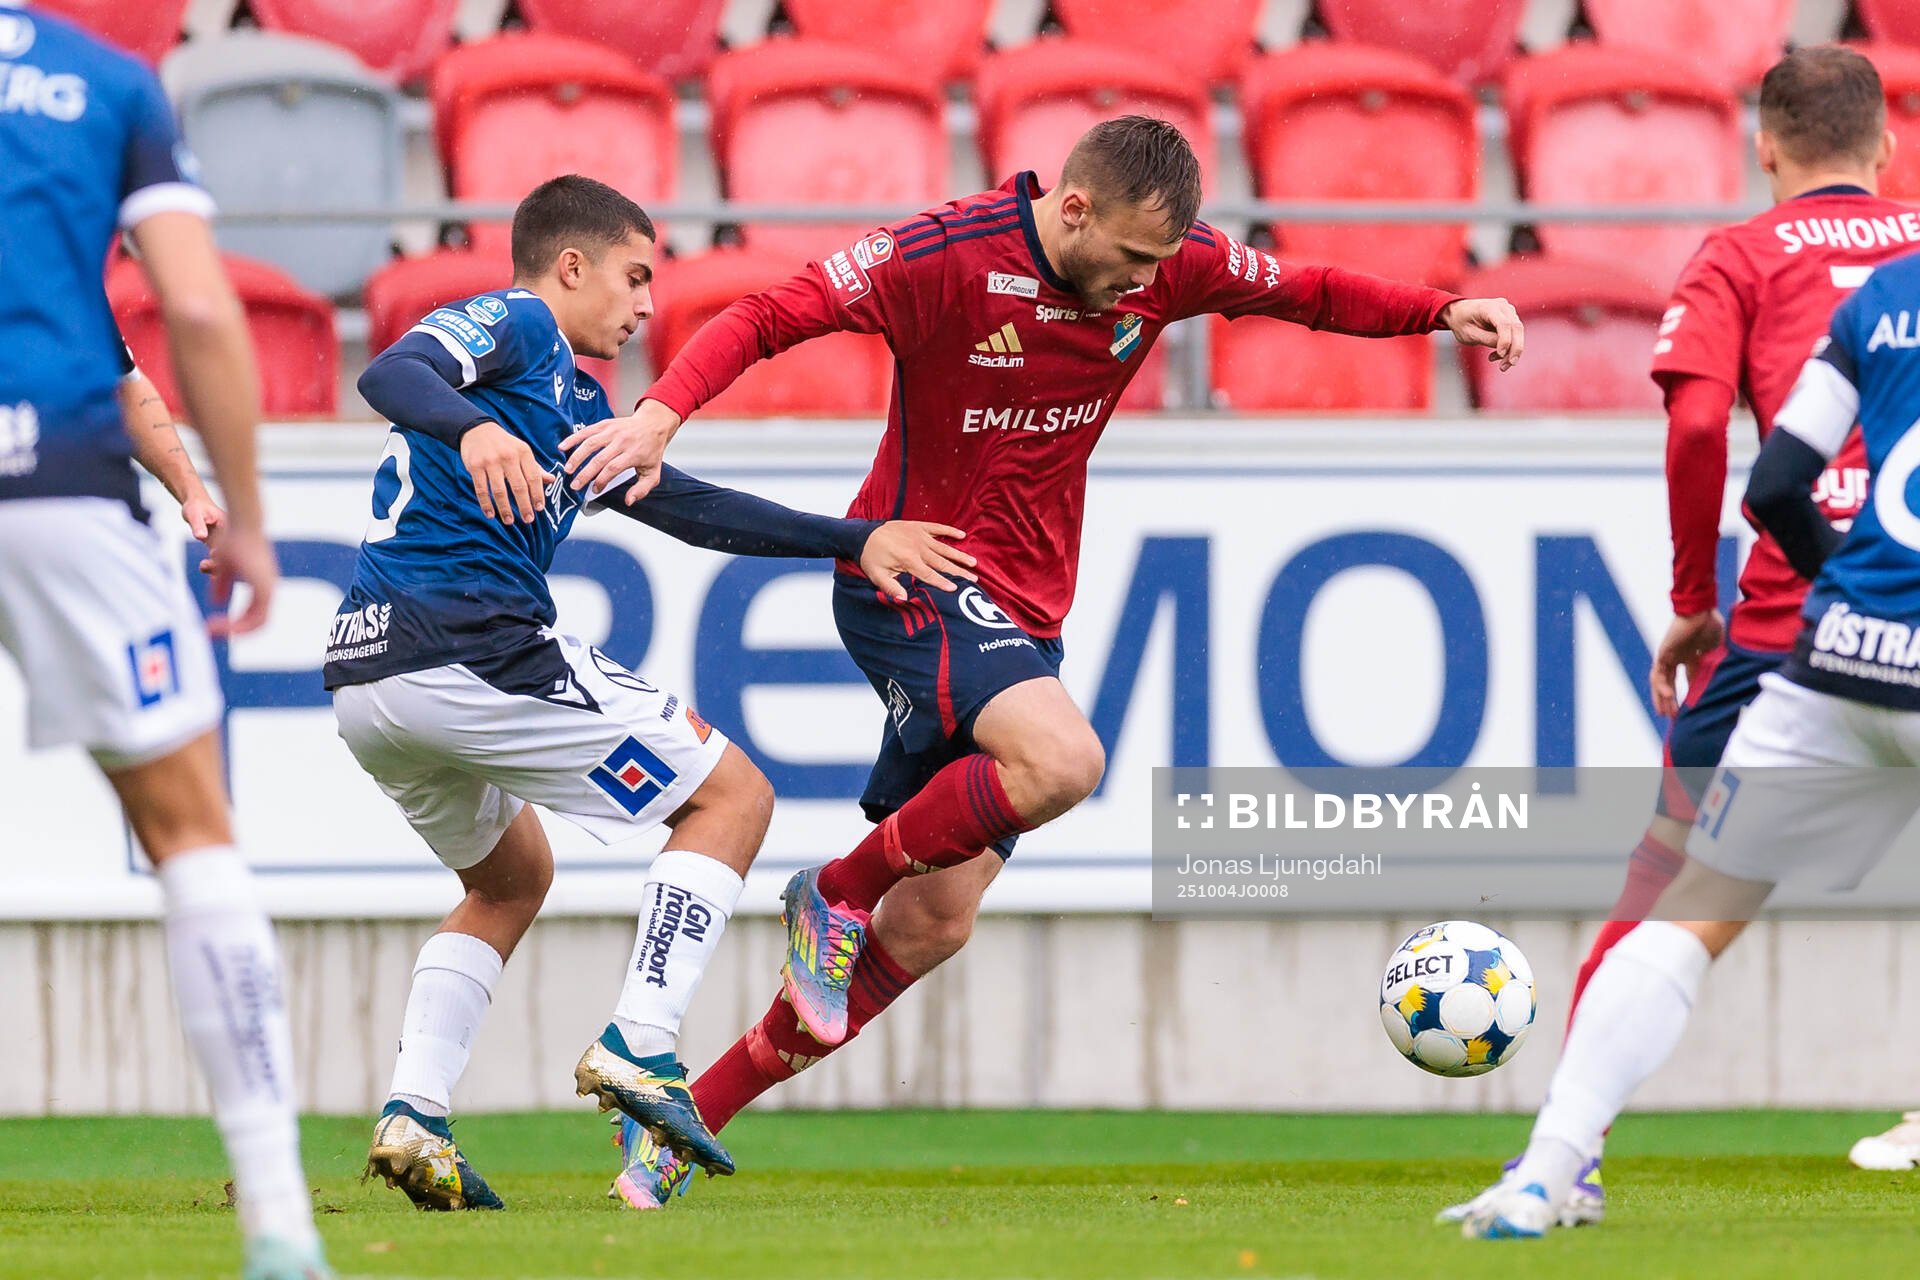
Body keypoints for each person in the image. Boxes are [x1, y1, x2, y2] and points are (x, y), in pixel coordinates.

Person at [560, 115, 1526, 1207]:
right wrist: (661, 413)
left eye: (1162, 263)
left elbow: (1304, 289)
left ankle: (683, 1121)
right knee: (1064, 760)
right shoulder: (942, 256)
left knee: (934, 920)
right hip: (911, 570)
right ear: (1074, 208)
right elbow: (771, 311)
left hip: (1024, 614)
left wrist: (1440, 309)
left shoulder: (1168, 266)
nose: (1146, 283)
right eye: (1132, 256)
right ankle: (831, 890)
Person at [332, 175, 973, 1210]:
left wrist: (852, 539)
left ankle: (415, 1110)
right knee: (733, 797)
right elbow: (392, 368)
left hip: (372, 679)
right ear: (570, 265)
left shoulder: (577, 407)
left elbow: (685, 507)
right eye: (633, 278)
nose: (644, 305)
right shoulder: (522, 326)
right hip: (471, 648)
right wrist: (473, 432)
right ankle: (642, 1038)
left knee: (510, 880)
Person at [1439, 44, 1914, 1225]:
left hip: (1800, 627)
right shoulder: (1911, 261)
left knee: (1672, 882)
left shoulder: (1740, 256)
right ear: (1889, 143)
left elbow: (1706, 429)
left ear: (1764, 146)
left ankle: (1566, 1154)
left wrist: (1694, 595)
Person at [0, 6, 325, 1277]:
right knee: (193, 835)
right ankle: (279, 1223)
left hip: (83, 452)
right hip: (61, 487)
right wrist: (245, 516)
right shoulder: (105, 82)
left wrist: (193, 486)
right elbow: (196, 302)